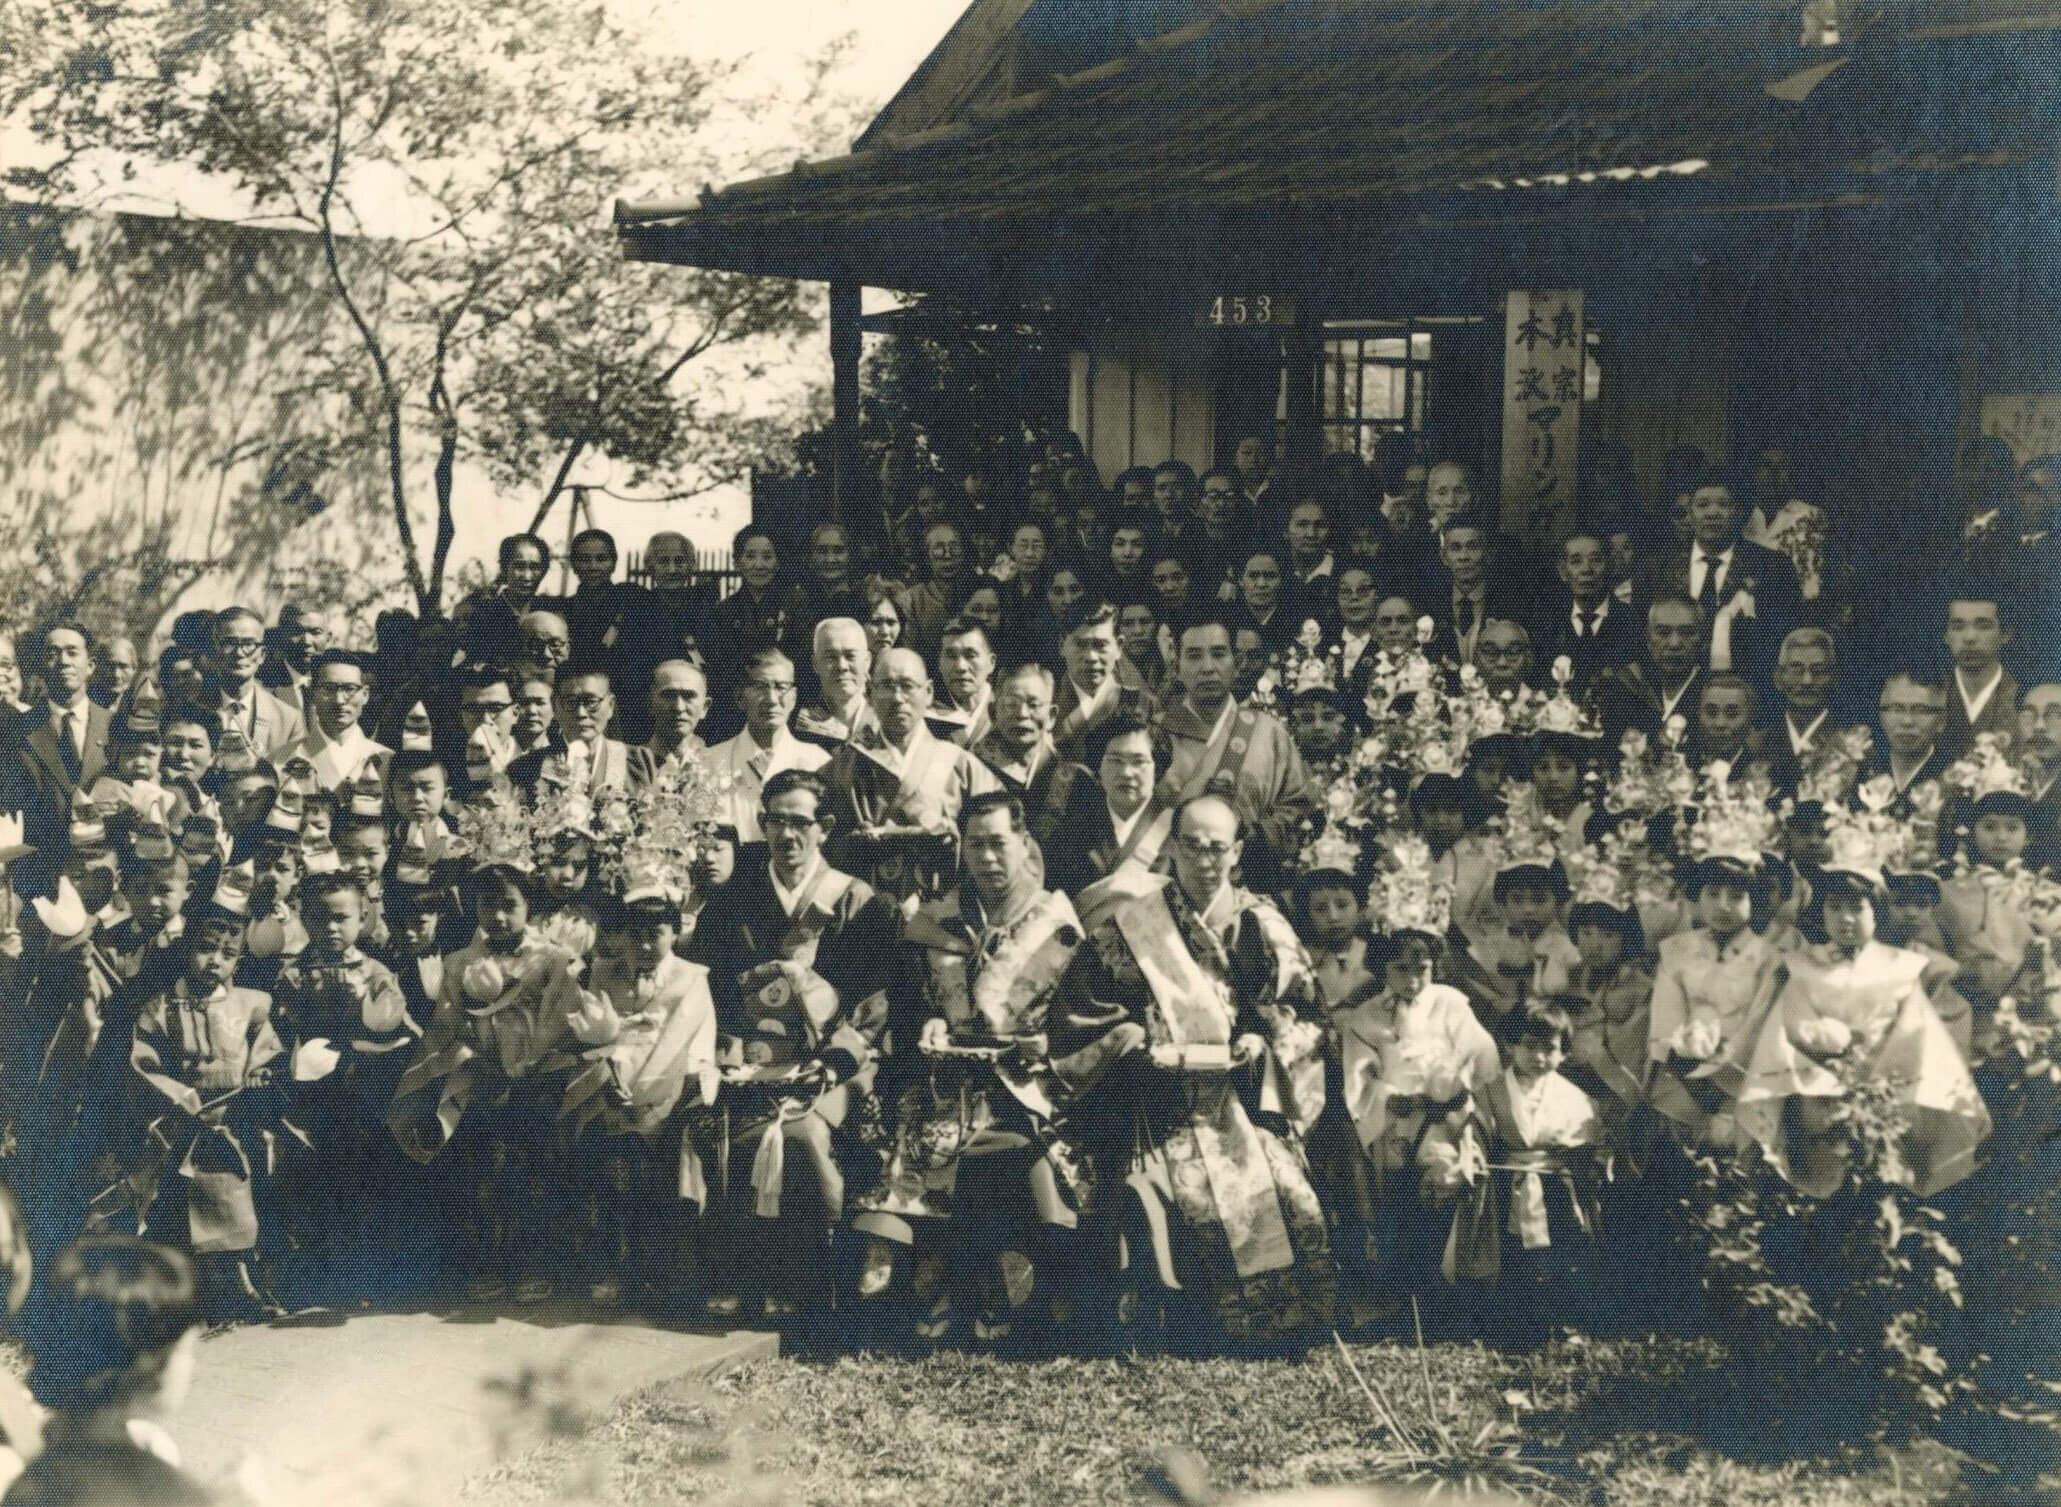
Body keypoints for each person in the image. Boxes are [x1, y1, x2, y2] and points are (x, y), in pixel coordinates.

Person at [1068, 795, 1336, 1344]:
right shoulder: (1132, 925)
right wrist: (1133, 1038)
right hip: (1153, 1097)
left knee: (1291, 1197)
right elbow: (1083, 1012)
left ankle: (1279, 1318)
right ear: (1171, 849)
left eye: (1217, 847)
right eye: (1191, 846)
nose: (1204, 859)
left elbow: (1305, 1011)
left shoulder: (1263, 923)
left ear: (1237, 852)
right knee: (1171, 1193)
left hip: (1243, 1098)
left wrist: (1263, 1036)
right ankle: (1192, 1320)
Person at [851, 792, 1098, 1341]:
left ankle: (985, 1282)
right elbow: (915, 1003)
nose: (987, 859)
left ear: (1024, 843)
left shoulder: (1055, 923)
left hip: (1027, 1078)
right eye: (976, 846)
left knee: (986, 1135)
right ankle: (927, 1275)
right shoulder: (941, 918)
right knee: (913, 1115)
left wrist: (1043, 1043)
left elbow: (1080, 1017)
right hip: (949, 1072)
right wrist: (931, 1024)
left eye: (998, 844)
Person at [684, 769, 898, 1316]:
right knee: (715, 1124)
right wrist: (727, 1051)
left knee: (800, 1132)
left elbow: (874, 1002)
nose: (787, 835)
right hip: (752, 1059)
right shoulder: (733, 903)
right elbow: (713, 991)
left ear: (824, 827)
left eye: (800, 822)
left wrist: (833, 1061)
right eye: (775, 821)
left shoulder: (860, 904)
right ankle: (737, 1277)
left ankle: (806, 1284)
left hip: (835, 1063)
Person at [1737, 862, 1990, 1194]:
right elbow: (1788, 1030)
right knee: (1819, 1171)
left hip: (1886, 1090)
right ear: (1822, 911)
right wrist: (1825, 1062)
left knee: (1881, 1177)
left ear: (1877, 912)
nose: (1845, 918)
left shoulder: (1903, 968)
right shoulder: (1801, 968)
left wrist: (1872, 1078)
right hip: (1816, 1091)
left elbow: (1915, 1036)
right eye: (1834, 907)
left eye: (1857, 908)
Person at [560, 884, 716, 1305]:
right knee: (604, 1158)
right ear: (621, 935)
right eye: (636, 934)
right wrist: (605, 1081)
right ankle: (610, 1263)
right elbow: (588, 1038)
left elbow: (697, 1052)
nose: (646, 945)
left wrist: (657, 1097)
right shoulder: (602, 974)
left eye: (657, 933)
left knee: (669, 1157)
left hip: (669, 1096)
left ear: (675, 931)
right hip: (610, 1092)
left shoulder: (692, 979)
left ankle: (662, 1271)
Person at [1421, 998, 1603, 1343]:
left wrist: (1584, 1162)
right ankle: (1507, 1320)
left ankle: (1560, 1320)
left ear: (1564, 1052)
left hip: (1555, 1187)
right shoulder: (1490, 1092)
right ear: (1509, 1046)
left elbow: (1586, 1139)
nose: (1538, 1057)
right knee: (1510, 1252)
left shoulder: (1575, 1097)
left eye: (1548, 1049)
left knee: (1557, 1250)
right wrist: (1471, 1156)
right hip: (1506, 1184)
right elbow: (1475, 1132)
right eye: (1529, 1046)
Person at [7, 1237, 216, 1505]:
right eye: (187, 1352)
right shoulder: (161, 1491)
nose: (192, 1365)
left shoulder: (38, 1470)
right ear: (154, 1369)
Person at [823, 648, 998, 909]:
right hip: (864, 919)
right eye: (887, 686)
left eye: (907, 686)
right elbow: (820, 849)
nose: (897, 698)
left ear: (928, 693)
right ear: (869, 693)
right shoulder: (841, 768)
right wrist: (855, 844)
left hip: (943, 917)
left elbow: (998, 840)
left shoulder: (962, 765)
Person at [1154, 609, 1314, 888]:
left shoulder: (1269, 732)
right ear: (1175, 664)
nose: (1207, 667)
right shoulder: (1153, 734)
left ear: (1236, 662)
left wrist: (1256, 837)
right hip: (1167, 884)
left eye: (1218, 654)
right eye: (1193, 656)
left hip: (1251, 882)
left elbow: (1302, 803)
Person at [1636, 474, 1801, 682]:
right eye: (1702, 505)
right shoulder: (1655, 570)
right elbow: (1640, 640)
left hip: (1745, 694)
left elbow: (1782, 641)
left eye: (1723, 505)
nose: (1712, 513)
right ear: (1690, 514)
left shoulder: (1772, 568)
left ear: (1739, 512)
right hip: (1669, 692)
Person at [706, 649, 829, 846]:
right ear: (740, 697)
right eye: (759, 687)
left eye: (781, 687)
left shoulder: (819, 762)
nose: (771, 699)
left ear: (794, 698)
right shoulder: (710, 762)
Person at [1586, 595, 1706, 746]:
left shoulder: (1711, 694)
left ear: (1703, 639)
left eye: (1687, 633)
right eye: (1663, 633)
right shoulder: (1625, 685)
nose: (1674, 644)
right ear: (1648, 638)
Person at [1051, 604, 1155, 762]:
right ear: (1061, 646)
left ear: (1119, 647)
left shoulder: (1145, 705)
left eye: (1100, 645)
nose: (1091, 657)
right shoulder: (1045, 707)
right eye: (1080, 645)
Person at [277, 650, 387, 794]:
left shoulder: (385, 760)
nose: (339, 700)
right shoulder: (282, 760)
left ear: (365, 695)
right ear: (311, 693)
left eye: (350, 689)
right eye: (328, 689)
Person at [1940, 591, 2019, 761]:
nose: (1969, 638)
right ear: (1945, 635)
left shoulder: (2024, 699)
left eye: (1983, 626)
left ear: (2006, 634)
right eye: (1958, 627)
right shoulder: (1929, 696)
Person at [793, 617, 871, 750]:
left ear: (867, 661)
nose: (842, 666)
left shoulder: (888, 724)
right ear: (815, 664)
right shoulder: (796, 731)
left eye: (850, 656)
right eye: (831, 657)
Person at [628, 659, 711, 785]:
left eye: (689, 696)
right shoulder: (629, 765)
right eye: (668, 695)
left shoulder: (719, 764)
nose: (679, 707)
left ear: (704, 707)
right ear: (650, 703)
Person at [927, 621, 995, 749]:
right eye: (951, 656)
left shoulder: (1010, 711)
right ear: (939, 663)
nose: (960, 667)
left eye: (970, 655)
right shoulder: (926, 718)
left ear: (991, 663)